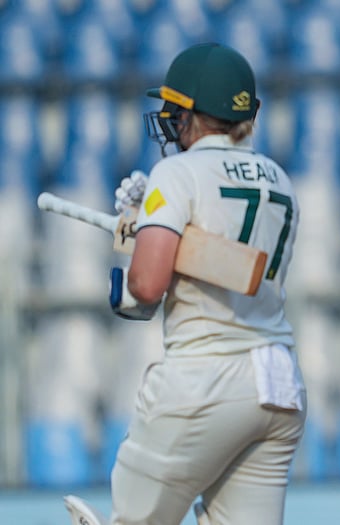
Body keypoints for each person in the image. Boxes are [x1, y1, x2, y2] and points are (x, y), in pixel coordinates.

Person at [64, 43, 305, 525]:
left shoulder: (176, 172)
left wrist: (136, 237)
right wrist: (149, 219)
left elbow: (146, 289)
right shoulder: (280, 178)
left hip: (204, 378)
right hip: (278, 383)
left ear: (192, 112)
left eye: (174, 109)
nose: (169, 120)